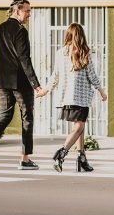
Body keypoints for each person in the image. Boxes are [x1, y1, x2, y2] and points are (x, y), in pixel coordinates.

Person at [0, 0, 48, 171]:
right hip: (20, 82)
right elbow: (25, 59)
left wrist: (1, 75)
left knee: (5, 115)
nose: (29, 15)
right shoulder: (20, 31)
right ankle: (25, 159)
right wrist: (36, 85)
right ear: (17, 11)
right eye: (27, 11)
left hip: (2, 81)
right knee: (27, 117)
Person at [44, 22, 108, 172]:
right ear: (81, 36)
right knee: (79, 126)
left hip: (67, 97)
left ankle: (82, 158)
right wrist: (102, 91)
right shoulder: (85, 52)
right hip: (81, 97)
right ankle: (61, 153)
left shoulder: (60, 53)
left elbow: (55, 76)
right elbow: (92, 76)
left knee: (79, 127)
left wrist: (46, 90)